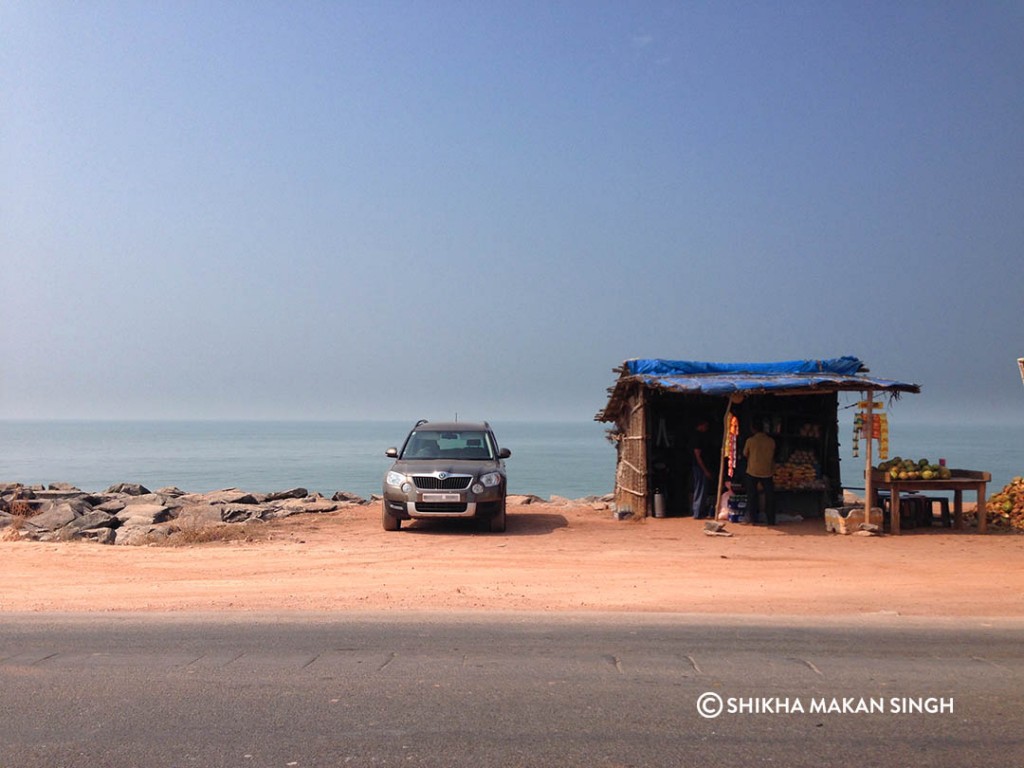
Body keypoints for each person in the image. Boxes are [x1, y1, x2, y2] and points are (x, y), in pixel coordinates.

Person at [743, 421, 776, 525]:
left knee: (752, 495)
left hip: (753, 470)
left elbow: (745, 454)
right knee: (769, 497)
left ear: (753, 429)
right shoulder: (771, 441)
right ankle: (771, 519)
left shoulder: (750, 441)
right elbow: (774, 454)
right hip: (767, 471)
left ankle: (753, 519)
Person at [689, 419, 718, 519]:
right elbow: (698, 455)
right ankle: (697, 512)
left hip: (700, 466)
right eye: (705, 426)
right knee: (700, 488)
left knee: (701, 488)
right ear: (700, 425)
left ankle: (698, 511)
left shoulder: (698, 436)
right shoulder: (697, 437)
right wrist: (705, 470)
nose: (706, 428)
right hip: (699, 467)